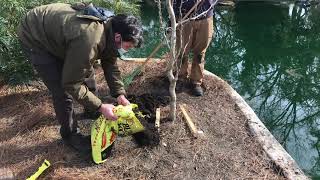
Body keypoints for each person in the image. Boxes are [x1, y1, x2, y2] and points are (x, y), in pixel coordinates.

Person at [18, 2, 143, 151]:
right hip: (35, 34)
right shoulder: (89, 40)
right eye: (128, 47)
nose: (127, 50)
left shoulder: (112, 27)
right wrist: (101, 106)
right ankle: (70, 135)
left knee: (85, 68)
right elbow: (71, 84)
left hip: (63, 33)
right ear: (118, 37)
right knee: (61, 90)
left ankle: (91, 109)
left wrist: (120, 94)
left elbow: (110, 63)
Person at [173, 0, 215, 96]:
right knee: (181, 51)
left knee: (200, 53)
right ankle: (180, 78)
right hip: (183, 17)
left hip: (205, 17)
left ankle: (195, 82)